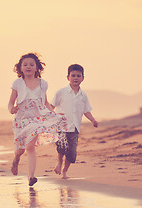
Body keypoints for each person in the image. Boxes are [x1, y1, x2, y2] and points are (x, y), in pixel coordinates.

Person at [8, 53, 68, 186]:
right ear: (20, 68)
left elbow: (45, 102)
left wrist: (54, 114)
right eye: (25, 65)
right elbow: (10, 103)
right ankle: (16, 160)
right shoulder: (17, 83)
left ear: (37, 67)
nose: (28, 67)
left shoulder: (42, 84)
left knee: (30, 146)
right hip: (22, 119)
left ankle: (31, 176)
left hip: (37, 118)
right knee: (20, 150)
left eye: (31, 64)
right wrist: (11, 109)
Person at [51, 64, 98, 179]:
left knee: (71, 154)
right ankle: (59, 162)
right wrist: (47, 118)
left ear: (82, 78)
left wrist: (93, 120)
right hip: (61, 126)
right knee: (62, 147)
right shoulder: (61, 92)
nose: (75, 78)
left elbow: (86, 110)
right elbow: (51, 106)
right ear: (68, 77)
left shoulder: (83, 96)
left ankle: (65, 171)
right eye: (73, 75)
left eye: (78, 76)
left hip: (75, 128)